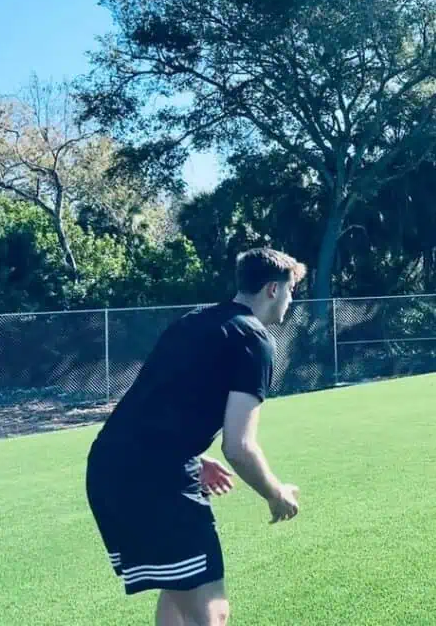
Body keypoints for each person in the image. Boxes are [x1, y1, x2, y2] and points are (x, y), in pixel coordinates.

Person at [85, 247, 306, 626]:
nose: (291, 299)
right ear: (272, 289)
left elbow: (154, 400)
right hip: (156, 479)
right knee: (211, 612)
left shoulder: (194, 320)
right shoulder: (253, 339)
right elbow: (239, 446)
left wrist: (192, 455)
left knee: (177, 591)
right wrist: (276, 494)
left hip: (109, 467)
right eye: (290, 290)